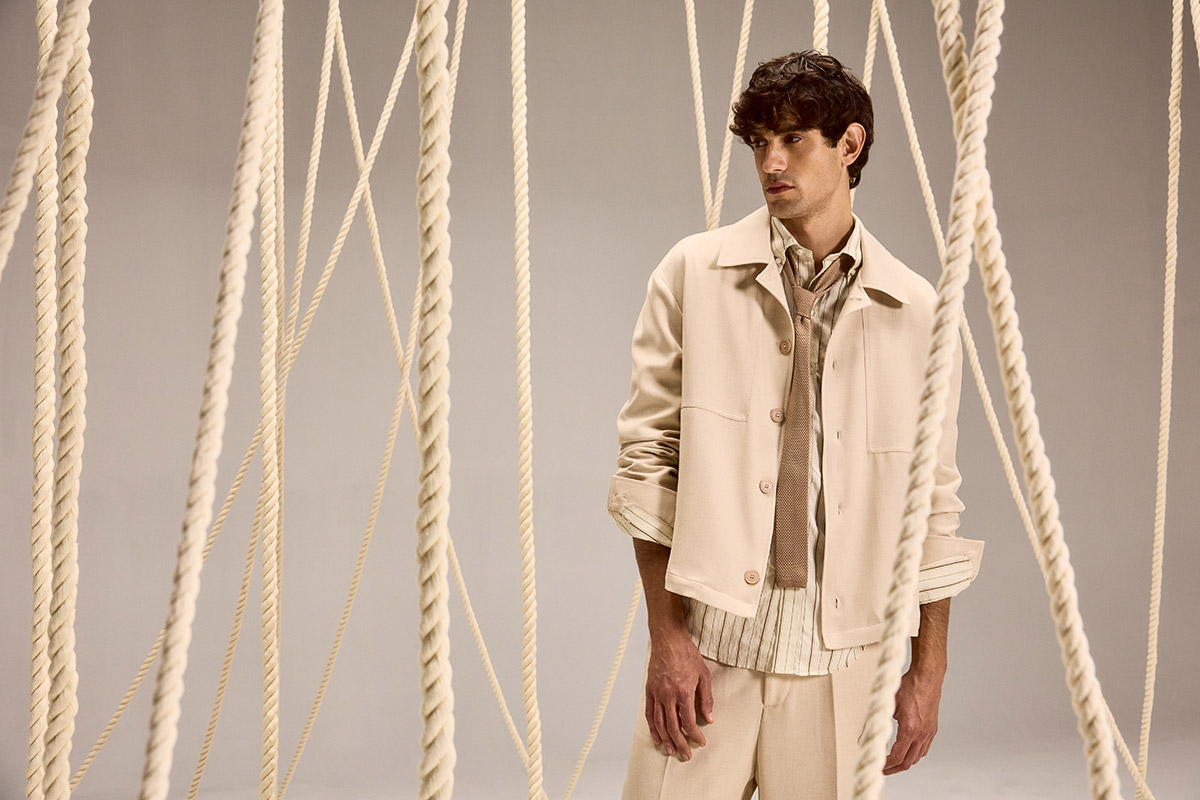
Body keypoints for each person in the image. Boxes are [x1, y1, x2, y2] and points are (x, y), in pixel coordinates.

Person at [606, 51, 985, 799]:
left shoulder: (917, 310)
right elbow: (649, 464)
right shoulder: (692, 273)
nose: (772, 162)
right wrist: (666, 637)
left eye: (794, 141)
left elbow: (932, 502)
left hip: (843, 662)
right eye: (758, 144)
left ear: (849, 145)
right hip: (711, 649)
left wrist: (928, 669)